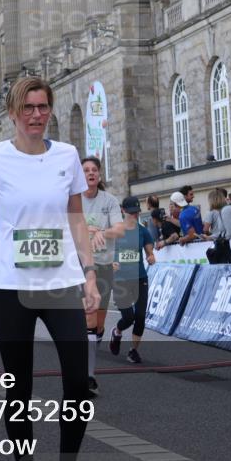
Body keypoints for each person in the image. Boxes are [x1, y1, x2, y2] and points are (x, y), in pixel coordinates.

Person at [0, 76, 100, 461]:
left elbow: (76, 219)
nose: (36, 115)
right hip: (10, 287)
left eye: (43, 107)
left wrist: (89, 275)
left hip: (59, 286)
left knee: (78, 382)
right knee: (18, 386)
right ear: (13, 113)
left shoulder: (68, 156)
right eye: (28, 108)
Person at [80, 155, 121, 397]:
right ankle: (88, 376)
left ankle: (91, 351)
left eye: (94, 170)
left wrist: (101, 232)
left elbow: (118, 228)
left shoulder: (110, 201)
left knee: (98, 324)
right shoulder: (73, 200)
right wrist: (87, 230)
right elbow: (68, 227)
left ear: (100, 175)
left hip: (104, 265)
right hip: (80, 265)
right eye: (85, 170)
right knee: (87, 319)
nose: (90, 173)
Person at [111, 196, 155, 364]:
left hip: (139, 278)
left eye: (136, 213)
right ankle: (117, 331)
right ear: (123, 211)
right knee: (128, 317)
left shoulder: (143, 231)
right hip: (120, 280)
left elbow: (150, 252)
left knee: (140, 316)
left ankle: (133, 351)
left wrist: (151, 256)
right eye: (131, 213)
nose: (134, 216)